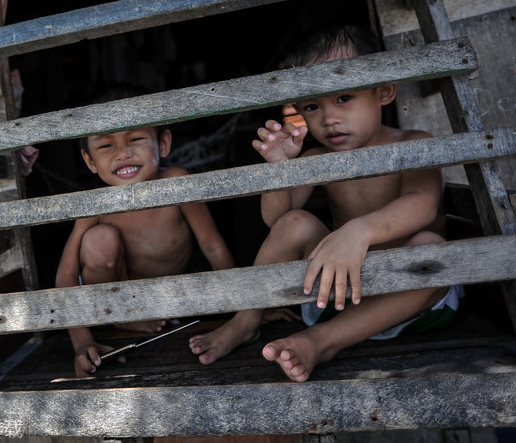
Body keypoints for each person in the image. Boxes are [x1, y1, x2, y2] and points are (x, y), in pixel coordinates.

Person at [251, 23, 463, 382]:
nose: (329, 118)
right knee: (296, 222)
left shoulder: (414, 142)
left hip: (413, 307)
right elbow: (278, 220)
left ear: (384, 91)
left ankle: (322, 341)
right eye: (313, 106)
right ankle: (246, 318)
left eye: (344, 98)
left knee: (431, 249)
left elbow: (423, 204)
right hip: (336, 298)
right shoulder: (317, 157)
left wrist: (357, 233)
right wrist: (279, 170)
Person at [56, 90, 263, 377]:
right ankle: (122, 319)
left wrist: (243, 308)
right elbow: (66, 276)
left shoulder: (177, 183)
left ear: (163, 143)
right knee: (98, 239)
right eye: (105, 146)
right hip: (113, 298)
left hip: (171, 295)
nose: (122, 153)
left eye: (136, 139)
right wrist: (82, 342)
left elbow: (212, 246)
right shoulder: (94, 205)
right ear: (90, 161)